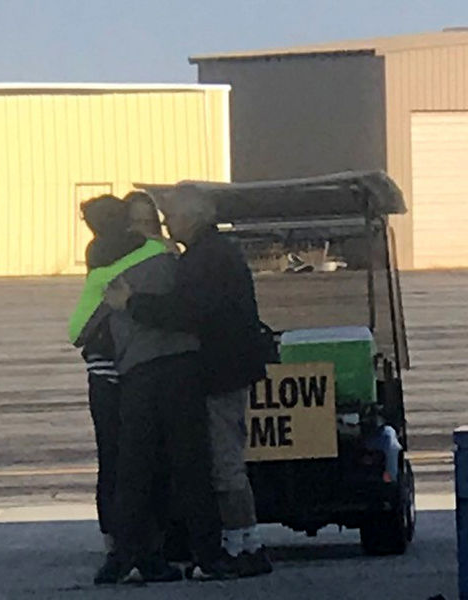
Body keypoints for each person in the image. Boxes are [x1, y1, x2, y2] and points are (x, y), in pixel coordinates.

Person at [119, 183, 273, 578]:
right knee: (225, 460)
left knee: (224, 464)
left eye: (170, 217)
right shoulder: (215, 253)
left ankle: (243, 547)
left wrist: (132, 303)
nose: (166, 224)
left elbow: (188, 311)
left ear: (191, 217)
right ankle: (242, 543)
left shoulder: (206, 259)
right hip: (229, 369)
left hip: (220, 374)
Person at [99, 191, 238, 584]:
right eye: (143, 223)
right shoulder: (170, 261)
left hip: (155, 369)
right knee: (171, 466)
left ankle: (140, 555)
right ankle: (196, 554)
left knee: (154, 468)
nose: (151, 229)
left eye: (154, 222)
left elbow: (86, 324)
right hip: (162, 369)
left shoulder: (120, 264)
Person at [68, 195, 144, 553]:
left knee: (109, 452)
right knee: (138, 451)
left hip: (101, 364)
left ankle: (113, 532)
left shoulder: (96, 251)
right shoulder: (142, 248)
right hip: (134, 360)